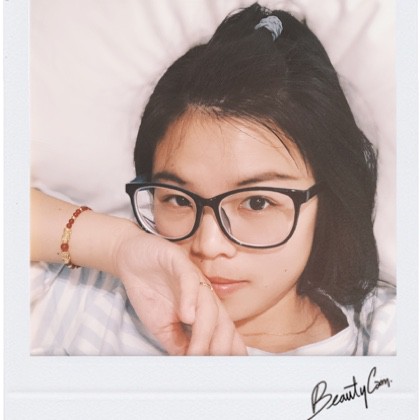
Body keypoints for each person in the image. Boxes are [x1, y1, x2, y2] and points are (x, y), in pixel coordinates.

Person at [31, 3, 395, 356]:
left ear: (327, 200)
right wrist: (117, 246)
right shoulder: (88, 298)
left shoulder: (386, 338)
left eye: (256, 202)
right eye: (177, 199)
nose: (208, 245)